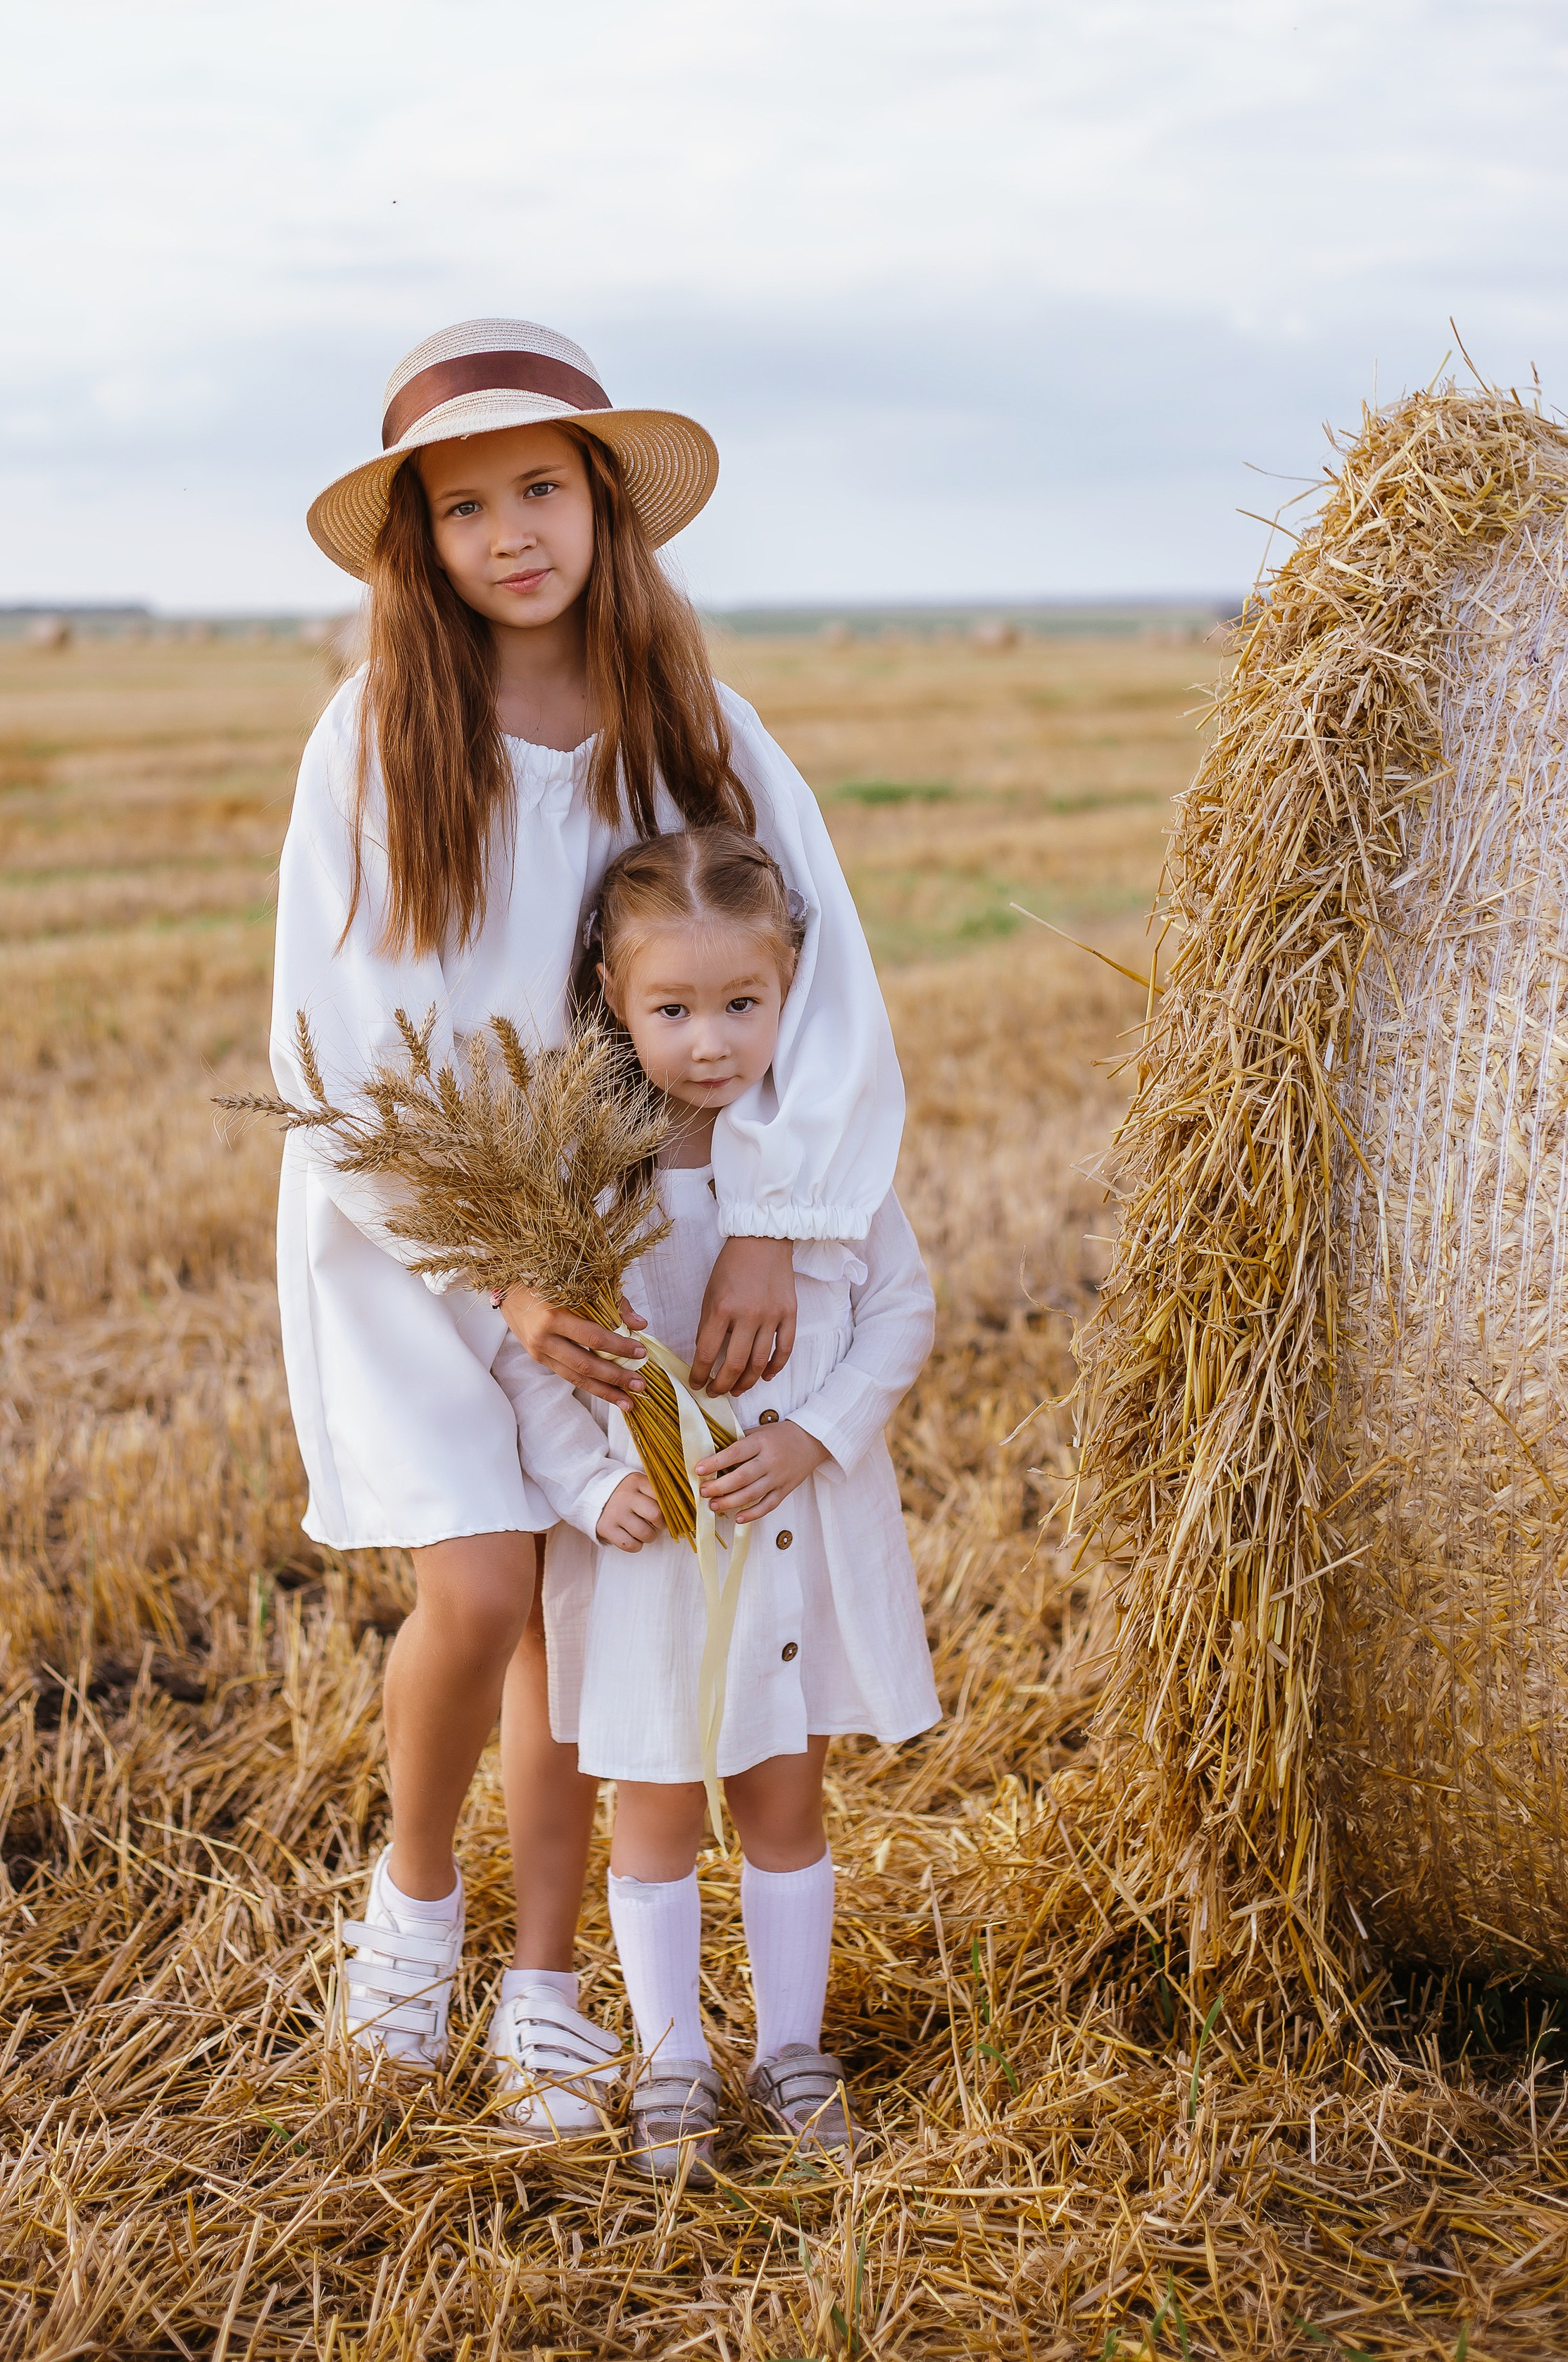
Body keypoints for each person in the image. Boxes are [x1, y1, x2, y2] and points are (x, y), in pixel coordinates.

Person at [271, 320, 905, 2130]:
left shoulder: (693, 727)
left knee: (578, 1610)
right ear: (421, 544)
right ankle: (414, 1911)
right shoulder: (376, 735)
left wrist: (775, 1221)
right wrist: (492, 1262)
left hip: (635, 1240)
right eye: (462, 506)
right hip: (434, 1239)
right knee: (472, 1591)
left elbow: (818, 971)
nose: (508, 532)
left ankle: (543, 1982)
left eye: (538, 487)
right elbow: (325, 1026)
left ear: (601, 504)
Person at [494, 826, 939, 2181]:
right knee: (658, 1810)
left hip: (787, 1537)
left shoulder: (818, 1159)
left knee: (786, 1799)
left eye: (742, 1004)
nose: (709, 1042)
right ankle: (674, 2058)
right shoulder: (592, 1177)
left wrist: (811, 1438)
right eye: (673, 1009)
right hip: (648, 1557)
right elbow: (535, 1367)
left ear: (794, 985)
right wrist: (592, 1483)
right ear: (614, 1003)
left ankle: (793, 2053)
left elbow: (899, 1317)